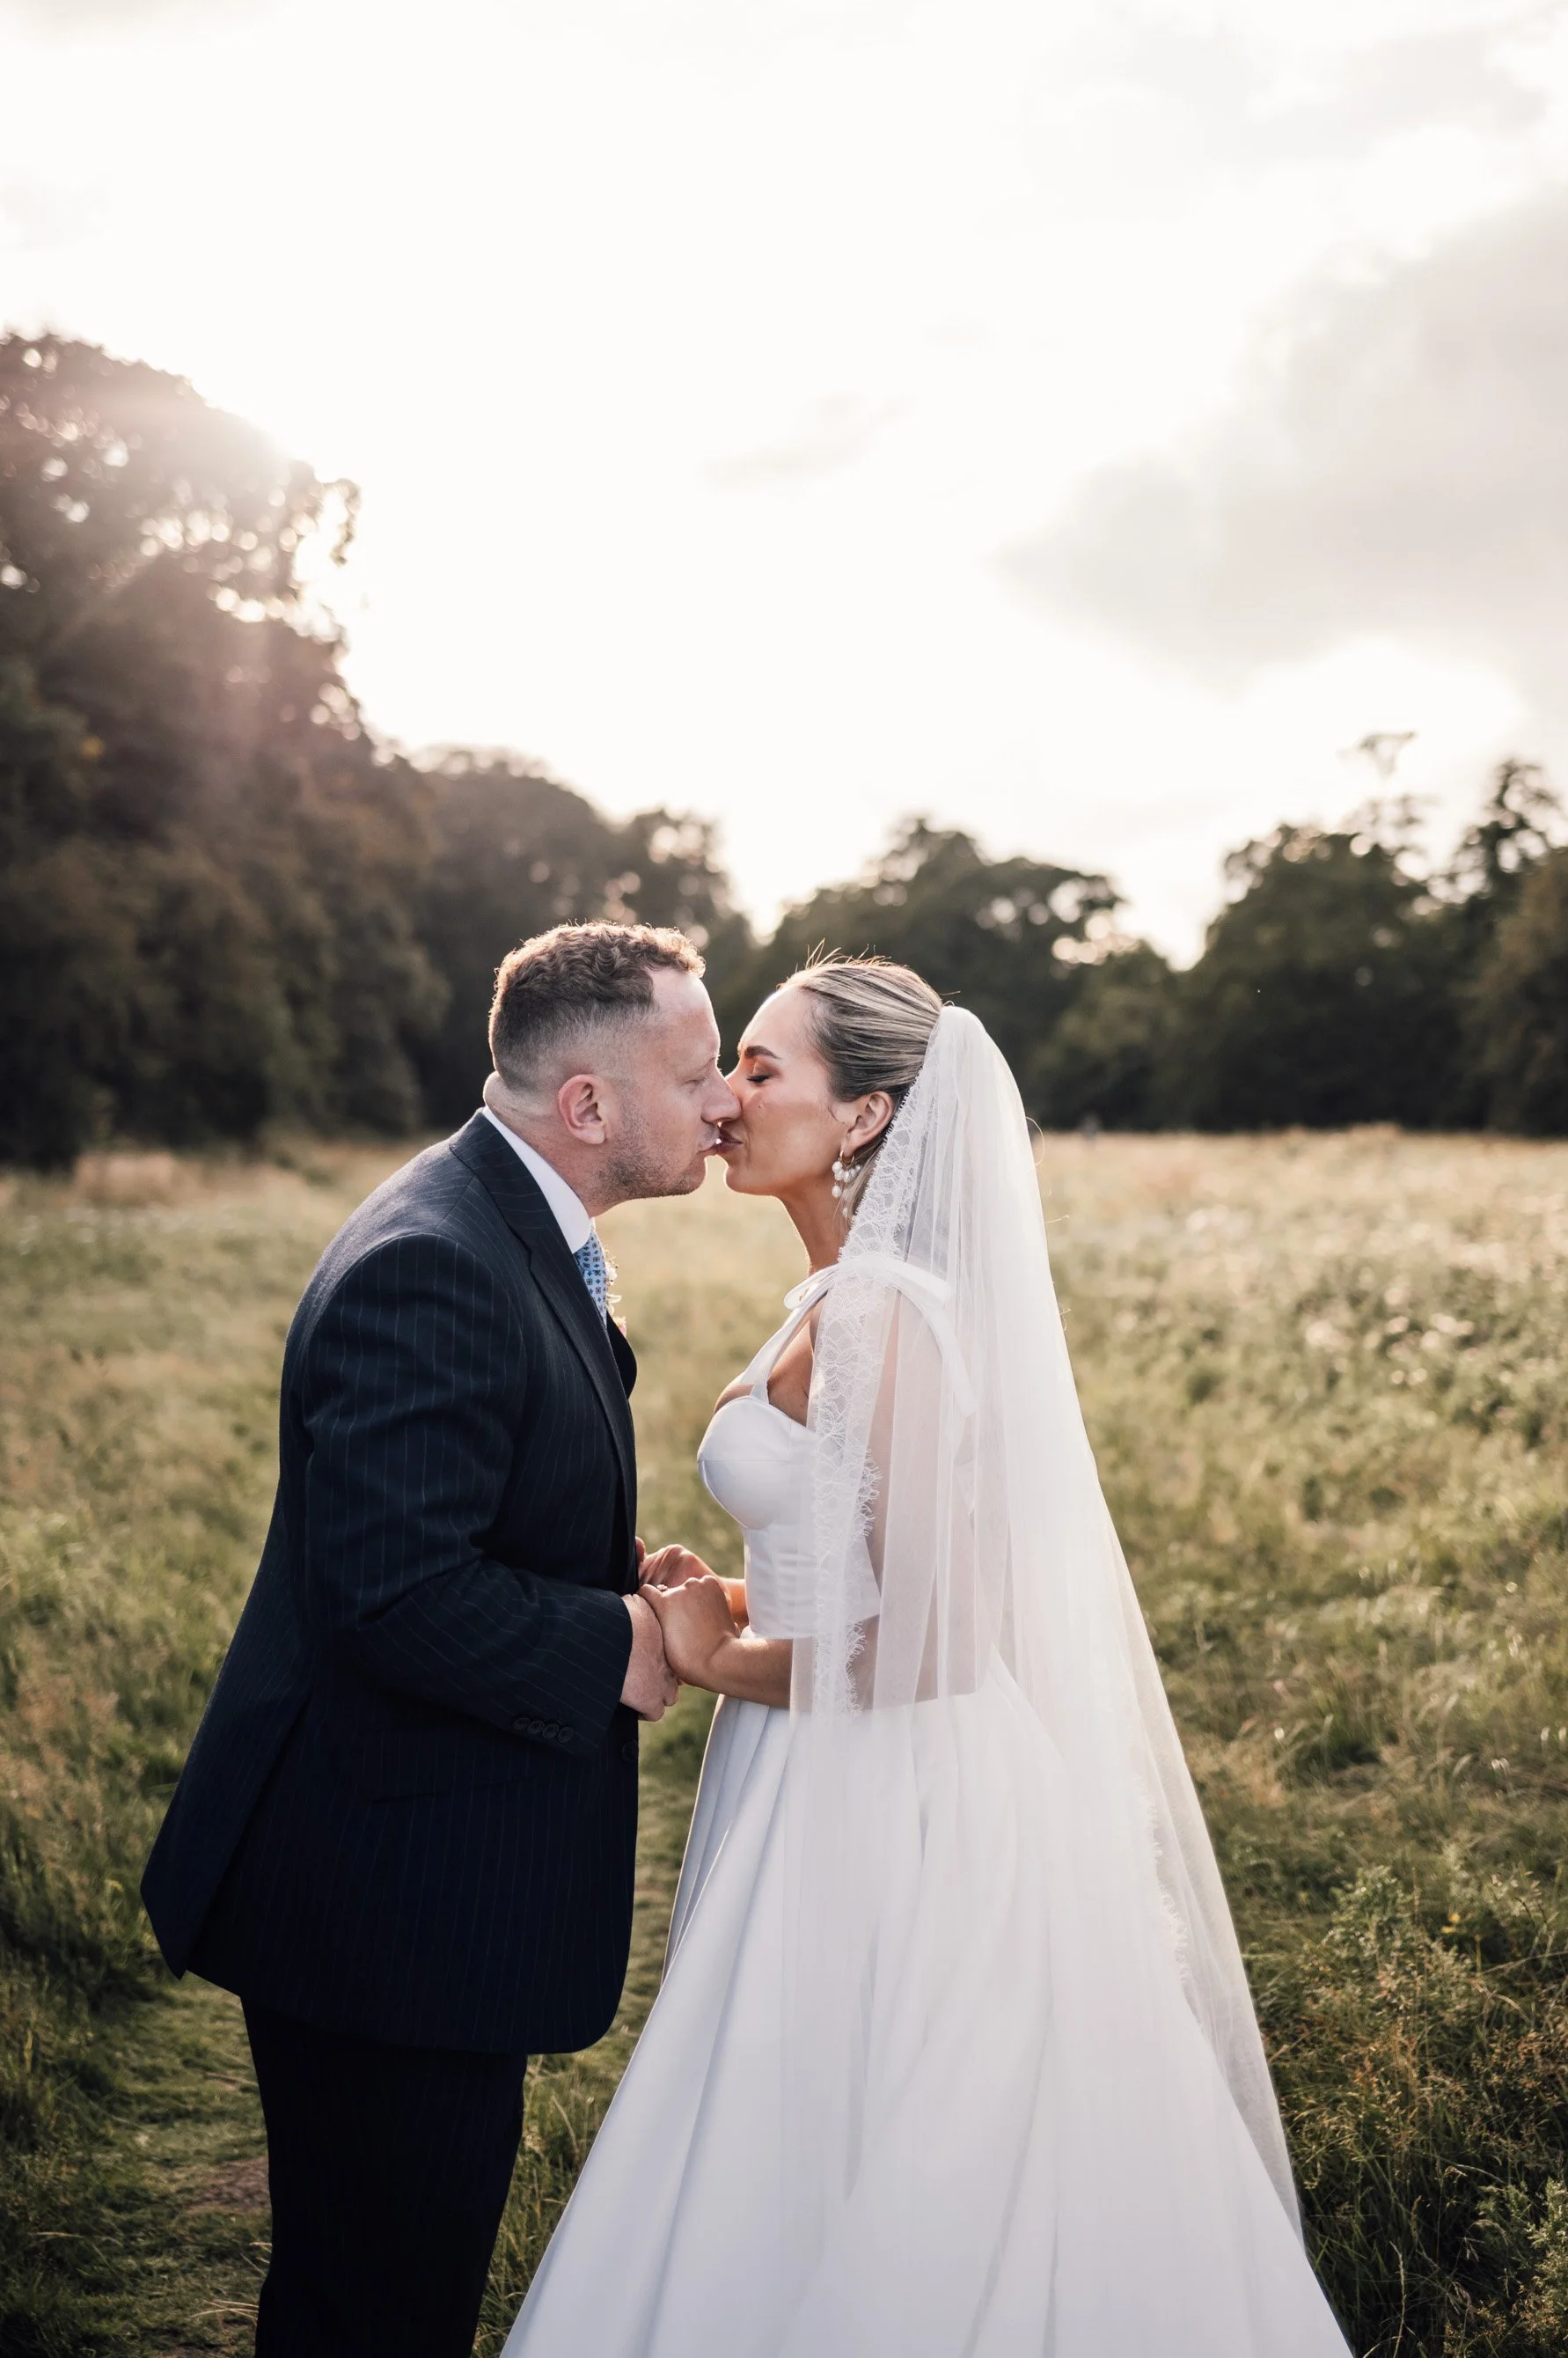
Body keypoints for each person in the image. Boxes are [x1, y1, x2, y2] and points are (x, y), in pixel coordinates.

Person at [506, 957, 1351, 2357]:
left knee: (886, 2135)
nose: (725, 1098)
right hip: (824, 1759)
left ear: (866, 1116)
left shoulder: (887, 1313)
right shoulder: (838, 1297)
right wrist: (733, 1588)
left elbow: (944, 1639)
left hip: (894, 1792)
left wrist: (718, 1661)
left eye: (763, 1070)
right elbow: (869, 1561)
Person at [141, 921, 738, 2358]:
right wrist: (623, 1641)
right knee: (375, 2309)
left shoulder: (505, 1221)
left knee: (381, 2293)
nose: (725, 1098)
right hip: (384, 1899)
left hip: (409, 1870)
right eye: (701, 1067)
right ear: (587, 1105)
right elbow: (394, 1590)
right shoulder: (441, 1260)